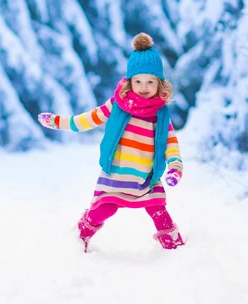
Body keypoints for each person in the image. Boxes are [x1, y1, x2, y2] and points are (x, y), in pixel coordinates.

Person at [38, 32, 185, 252]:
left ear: (159, 84)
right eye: (138, 81)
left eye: (150, 81)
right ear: (129, 82)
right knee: (103, 210)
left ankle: (178, 251)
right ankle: (77, 239)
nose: (144, 87)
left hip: (146, 177)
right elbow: (88, 119)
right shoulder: (118, 105)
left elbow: (171, 145)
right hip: (115, 176)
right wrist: (59, 122)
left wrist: (175, 168)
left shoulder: (161, 115)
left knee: (158, 211)